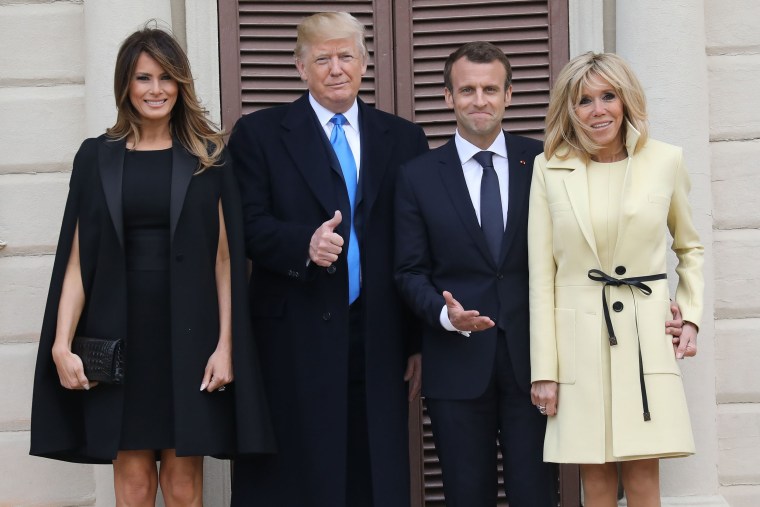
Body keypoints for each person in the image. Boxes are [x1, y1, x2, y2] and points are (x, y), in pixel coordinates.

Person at [29, 26, 274, 506]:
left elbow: (225, 260)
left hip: (191, 337)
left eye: (166, 77)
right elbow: (77, 261)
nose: (156, 89)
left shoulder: (210, 155)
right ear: (126, 85)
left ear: (181, 84)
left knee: (183, 487)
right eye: (144, 78)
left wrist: (227, 346)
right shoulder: (95, 156)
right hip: (119, 335)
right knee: (135, 485)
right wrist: (61, 344)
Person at [227, 11, 428, 507]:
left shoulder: (403, 139)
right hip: (291, 334)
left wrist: (417, 340)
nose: (336, 68)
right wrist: (304, 245)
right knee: (297, 477)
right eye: (322, 58)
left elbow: (416, 246)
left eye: (345, 56)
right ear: (301, 67)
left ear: (364, 62)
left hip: (378, 336)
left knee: (372, 473)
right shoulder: (259, 134)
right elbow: (245, 225)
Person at [528, 52, 704, 506]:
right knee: (596, 477)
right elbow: (540, 274)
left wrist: (691, 317)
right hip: (578, 343)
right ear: (570, 108)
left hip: (645, 333)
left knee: (644, 475)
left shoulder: (664, 160)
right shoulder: (549, 168)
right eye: (584, 100)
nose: (598, 109)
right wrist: (544, 370)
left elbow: (689, 248)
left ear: (626, 101)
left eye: (608, 96)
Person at [394, 41, 557, 507]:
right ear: (448, 97)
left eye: (490, 89)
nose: (479, 100)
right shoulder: (417, 176)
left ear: (509, 94)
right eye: (467, 90)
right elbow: (408, 271)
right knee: (467, 495)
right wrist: (445, 318)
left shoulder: (545, 163)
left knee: (537, 494)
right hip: (456, 362)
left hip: (536, 362)